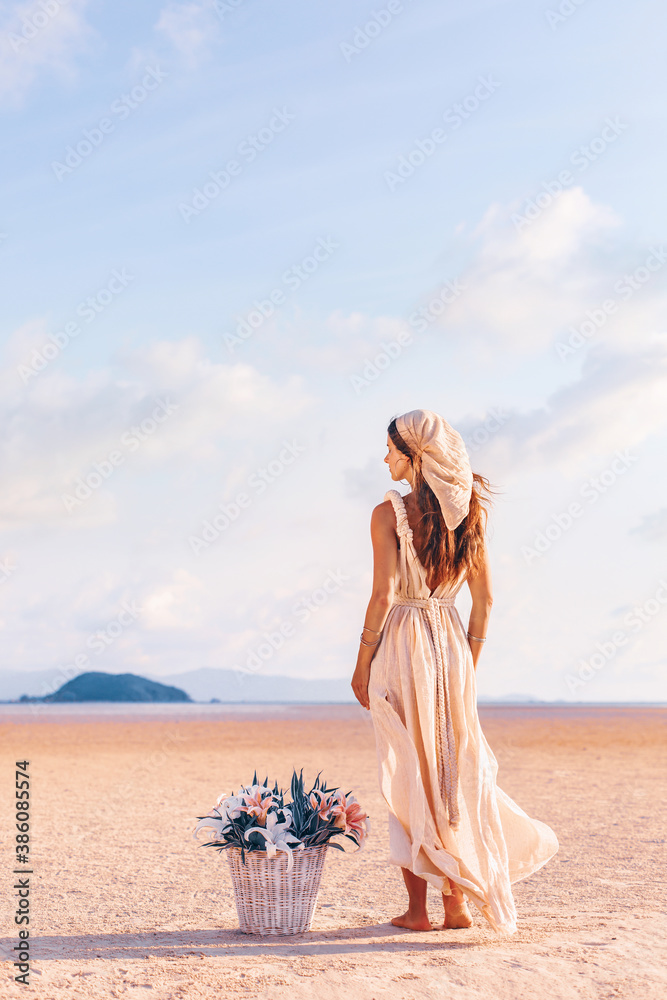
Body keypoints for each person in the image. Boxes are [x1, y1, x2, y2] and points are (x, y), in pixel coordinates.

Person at [351, 408, 559, 937]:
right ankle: (456, 906)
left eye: (392, 449)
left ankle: (418, 911)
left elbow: (382, 597)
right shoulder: (471, 518)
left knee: (407, 770)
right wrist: (466, 666)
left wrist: (360, 664)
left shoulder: (386, 514)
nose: (385, 458)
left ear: (416, 456)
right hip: (450, 644)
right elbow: (485, 602)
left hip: (402, 644)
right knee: (449, 775)